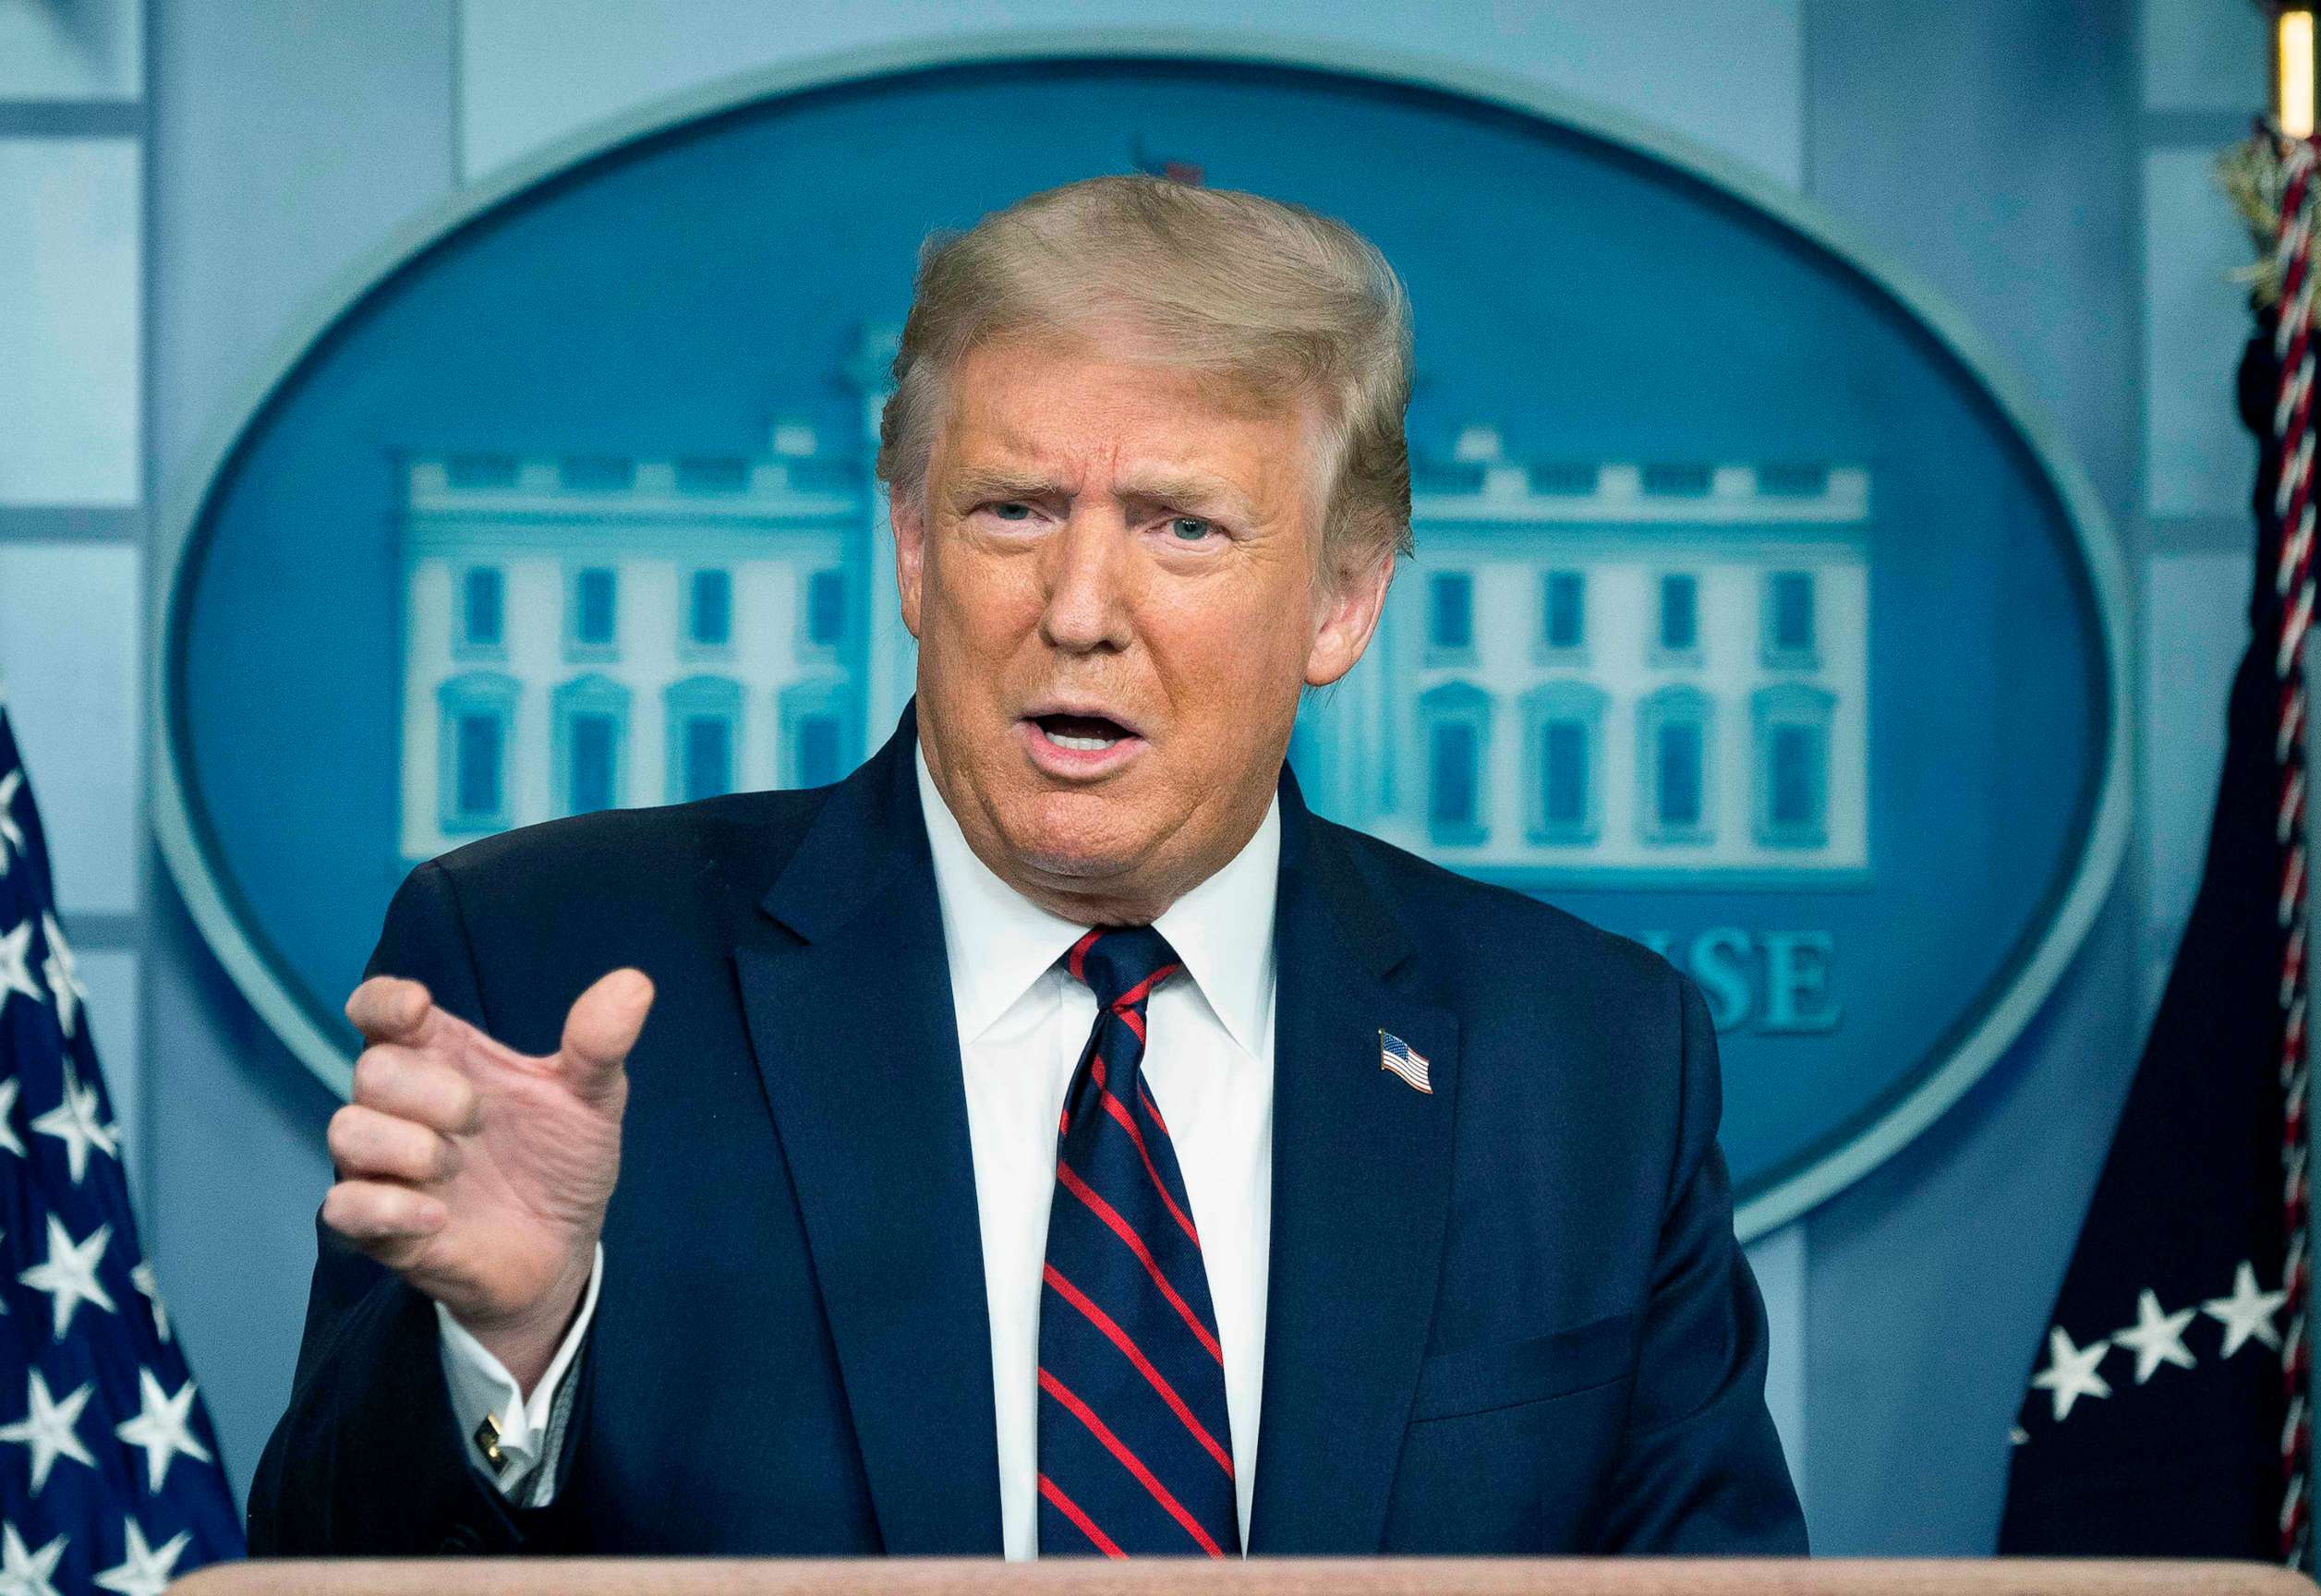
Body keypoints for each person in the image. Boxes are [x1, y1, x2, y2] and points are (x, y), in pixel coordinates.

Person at [248, 175, 1805, 1558]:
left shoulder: (1591, 1055)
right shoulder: (548, 964)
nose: (1078, 608)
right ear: (914, 550)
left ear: (1343, 600)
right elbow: (317, 1565)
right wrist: (509, 1353)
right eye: (1014, 511)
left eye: (1181, 528)